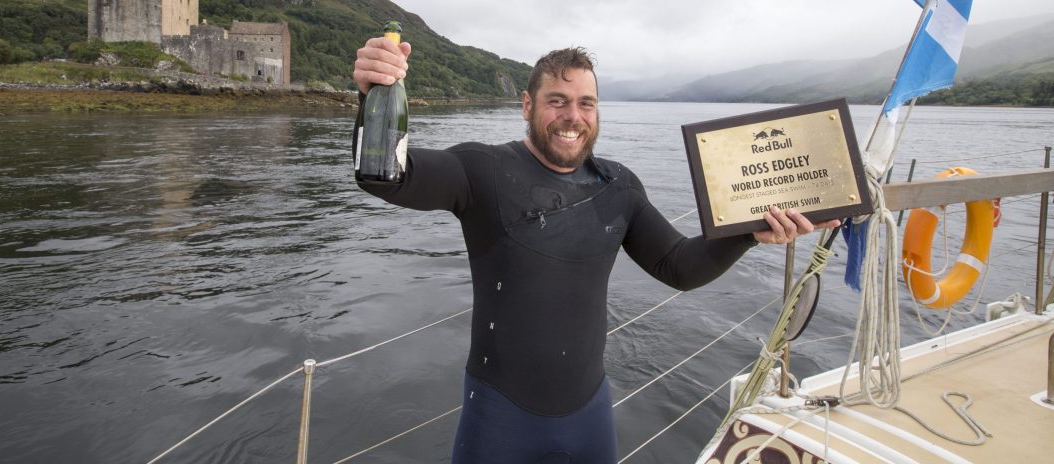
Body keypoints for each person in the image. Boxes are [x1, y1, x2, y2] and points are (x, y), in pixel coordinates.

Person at [352, 36, 839, 464]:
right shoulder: (482, 171)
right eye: (557, 101)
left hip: (590, 417)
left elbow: (678, 267)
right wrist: (374, 96)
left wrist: (747, 232)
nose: (573, 116)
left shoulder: (618, 186)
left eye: (586, 103)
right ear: (527, 105)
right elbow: (389, 177)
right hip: (499, 419)